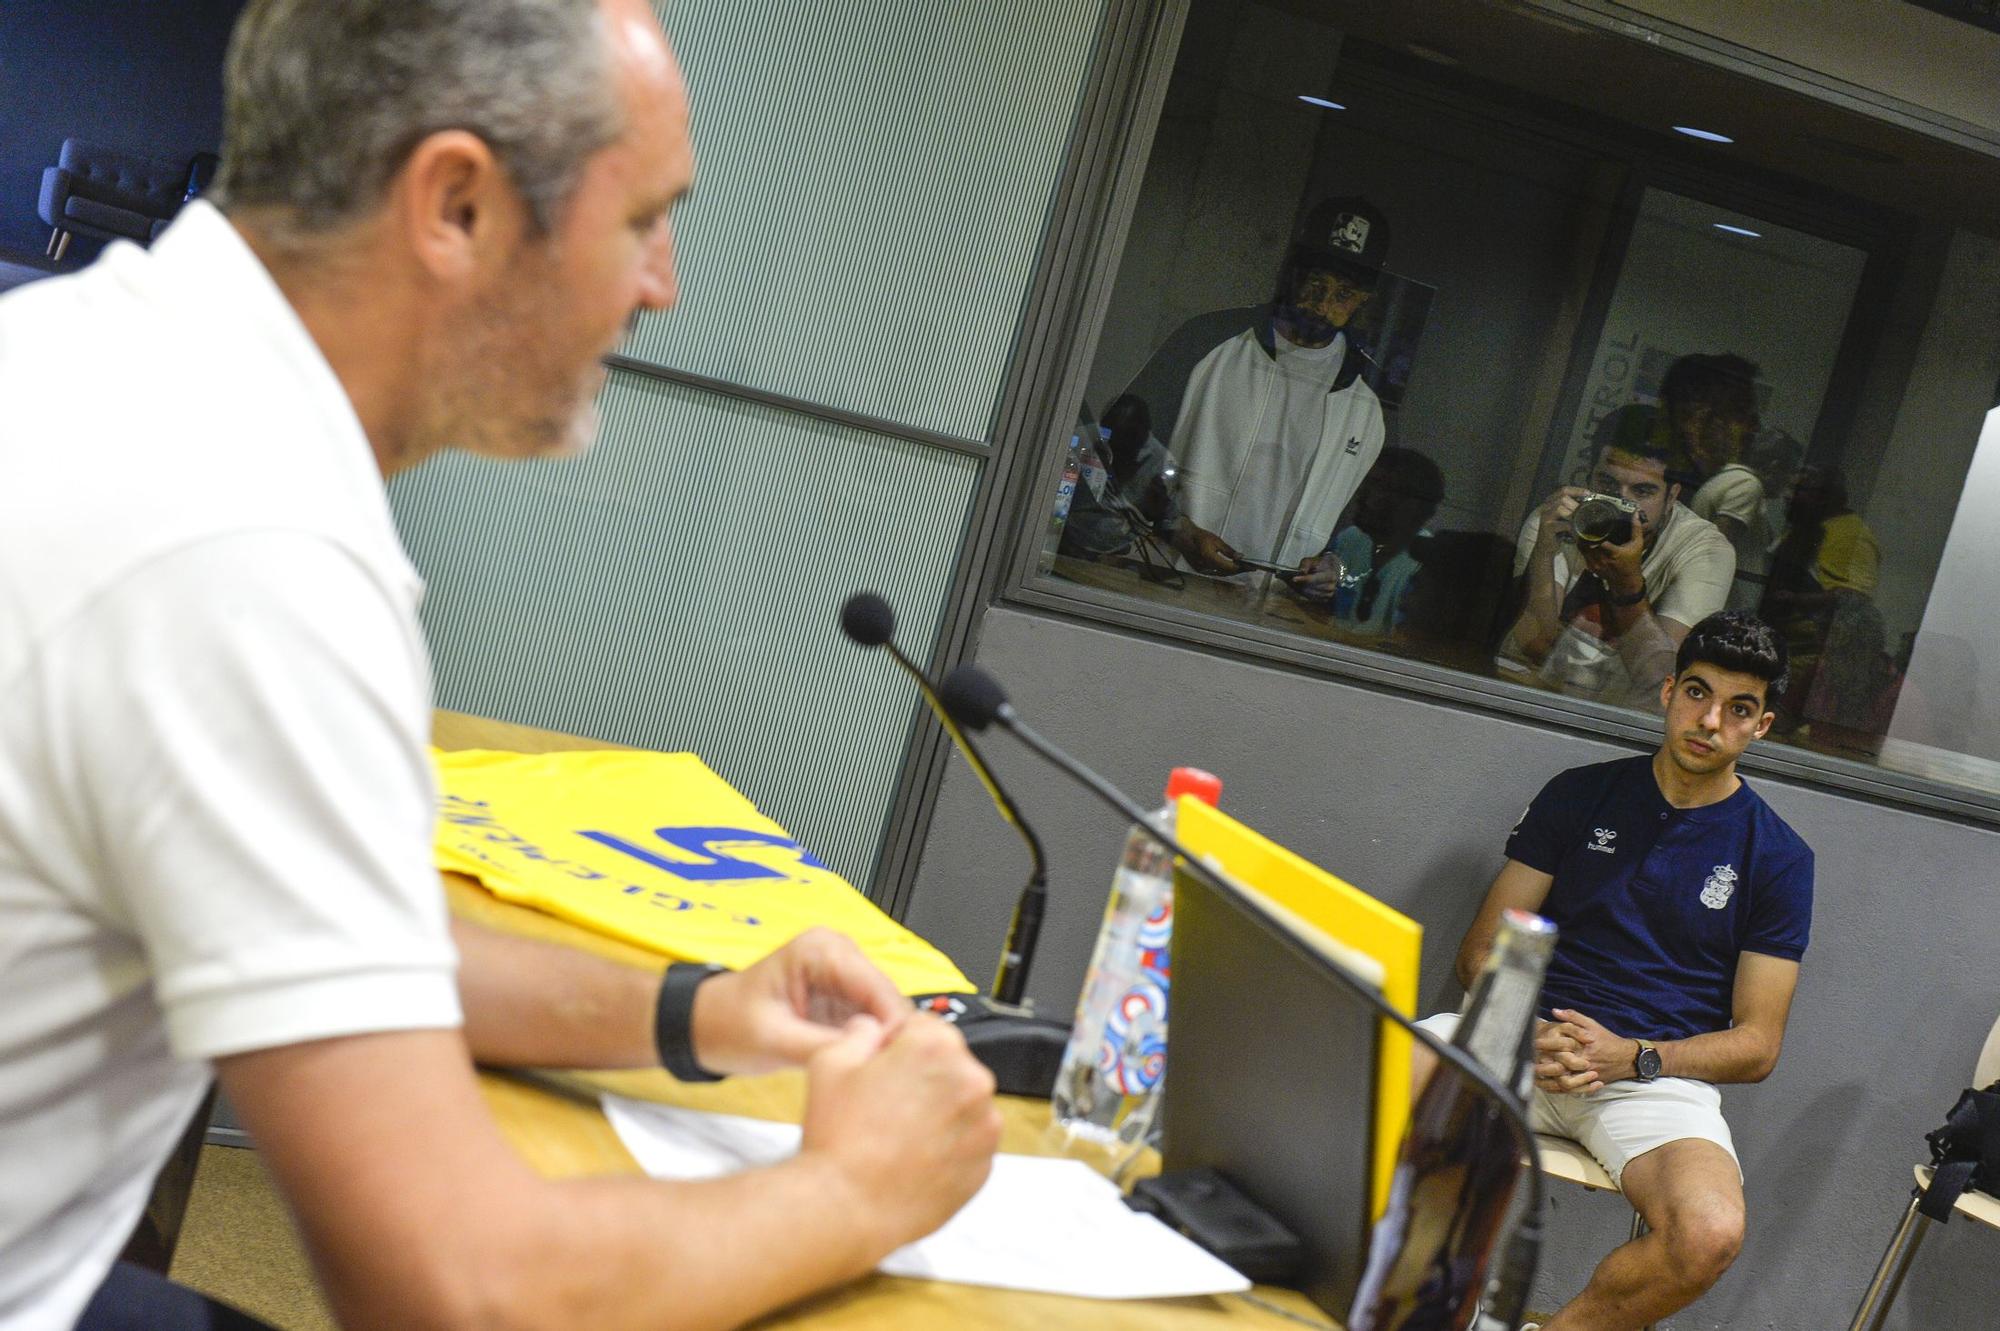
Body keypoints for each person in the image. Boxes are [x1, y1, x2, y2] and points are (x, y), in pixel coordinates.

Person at [0, 4, 1002, 1329]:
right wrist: (863, 1185)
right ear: (457, 206)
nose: (665, 284)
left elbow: (353, 944)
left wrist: (702, 1008)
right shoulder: (248, 547)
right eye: (644, 217)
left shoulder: (110, 354)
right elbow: (465, 1289)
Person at [1423, 612, 1812, 1331]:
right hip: (1523, 1039)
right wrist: (1527, 1027)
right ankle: (1446, 1316)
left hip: (1650, 1076)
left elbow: (1758, 1043)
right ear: (1667, 691)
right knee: (1369, 1085)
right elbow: (1481, 952)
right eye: (1697, 692)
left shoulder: (1780, 857)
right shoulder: (1580, 794)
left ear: (1761, 728)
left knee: (1709, 1233)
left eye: (1740, 708)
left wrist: (1634, 1056)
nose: (1711, 719)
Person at [1119, 196, 1393, 575]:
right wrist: (1178, 529)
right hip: (1167, 573)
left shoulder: (1367, 400)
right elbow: (1121, 447)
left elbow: (1364, 527)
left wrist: (1337, 569)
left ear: (1365, 301)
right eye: (1316, 282)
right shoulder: (1207, 340)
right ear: (1293, 273)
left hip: (1273, 609)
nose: (1321, 303)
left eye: (1343, 293)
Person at [1499, 405, 1735, 707]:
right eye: (1607, 484)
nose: (1622, 503)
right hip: (1528, 697)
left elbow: (1660, 678)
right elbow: (1534, 644)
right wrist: (1544, 553)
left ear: (1672, 496)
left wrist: (1627, 585)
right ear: (1590, 476)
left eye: (1642, 491)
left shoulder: (1705, 548)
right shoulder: (1560, 519)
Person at [1293, 446, 1445, 635]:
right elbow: (1326, 584)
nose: (1362, 495)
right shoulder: (1351, 538)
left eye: (1380, 487)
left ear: (1414, 506)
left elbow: (1409, 641)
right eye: (1366, 483)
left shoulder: (1427, 562)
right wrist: (1313, 579)